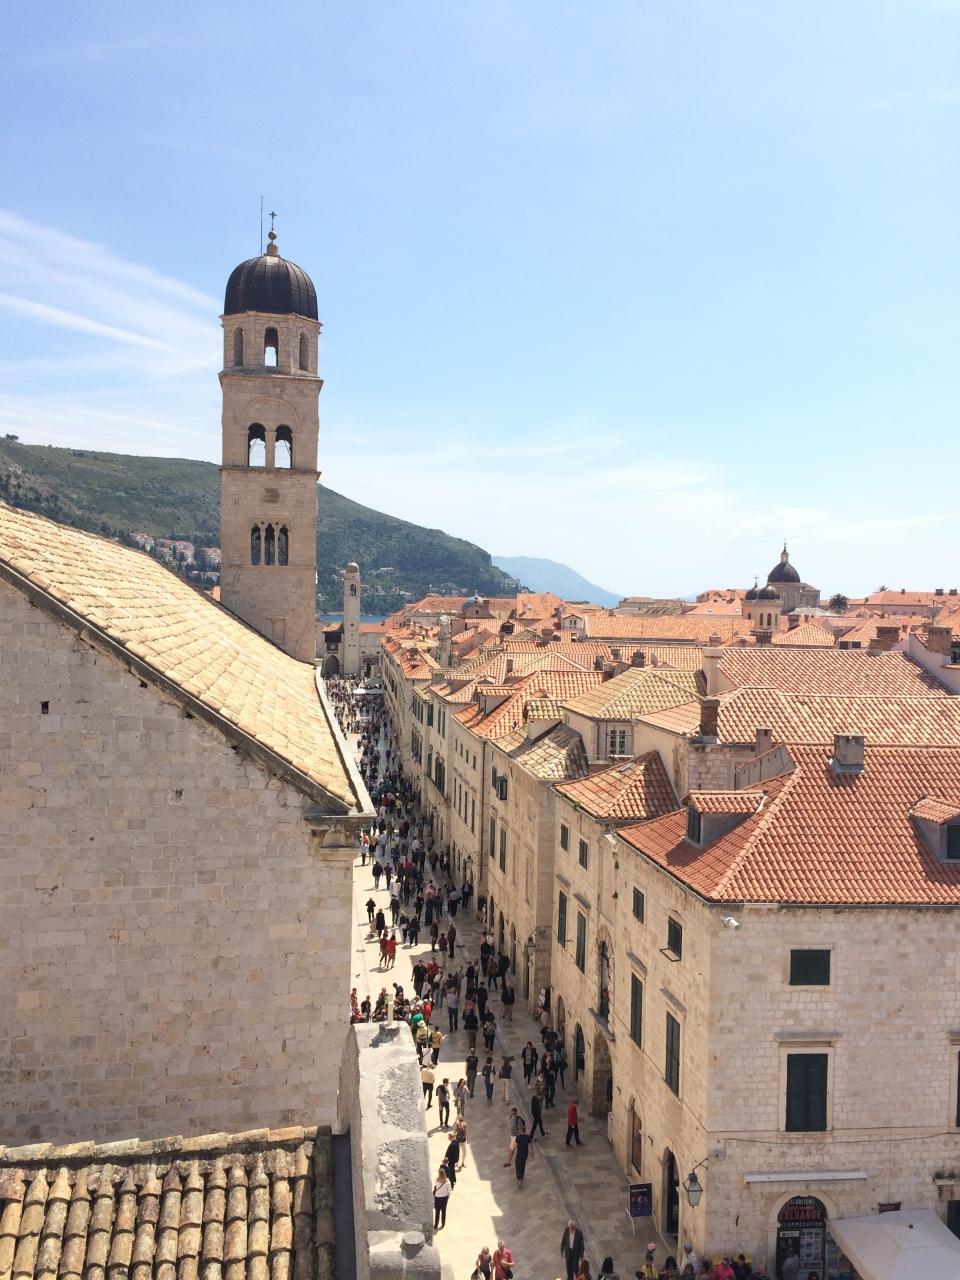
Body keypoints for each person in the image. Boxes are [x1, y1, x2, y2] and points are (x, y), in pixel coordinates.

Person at [512, 1118, 532, 1184]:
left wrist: (513, 1149)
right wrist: (531, 1152)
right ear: (525, 1130)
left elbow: (515, 1146)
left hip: (519, 1154)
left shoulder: (518, 1137)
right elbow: (530, 1145)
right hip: (525, 1154)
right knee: (523, 1164)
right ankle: (522, 1175)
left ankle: (519, 1178)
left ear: (520, 1130)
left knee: (517, 1164)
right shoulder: (528, 1137)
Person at [432, 1166, 451, 1230]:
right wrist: (448, 1195)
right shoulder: (447, 1181)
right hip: (444, 1198)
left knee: (437, 1212)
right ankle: (443, 1224)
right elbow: (449, 1190)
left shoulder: (436, 1180)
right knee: (443, 1211)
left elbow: (436, 1186)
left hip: (437, 1198)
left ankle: (436, 1225)